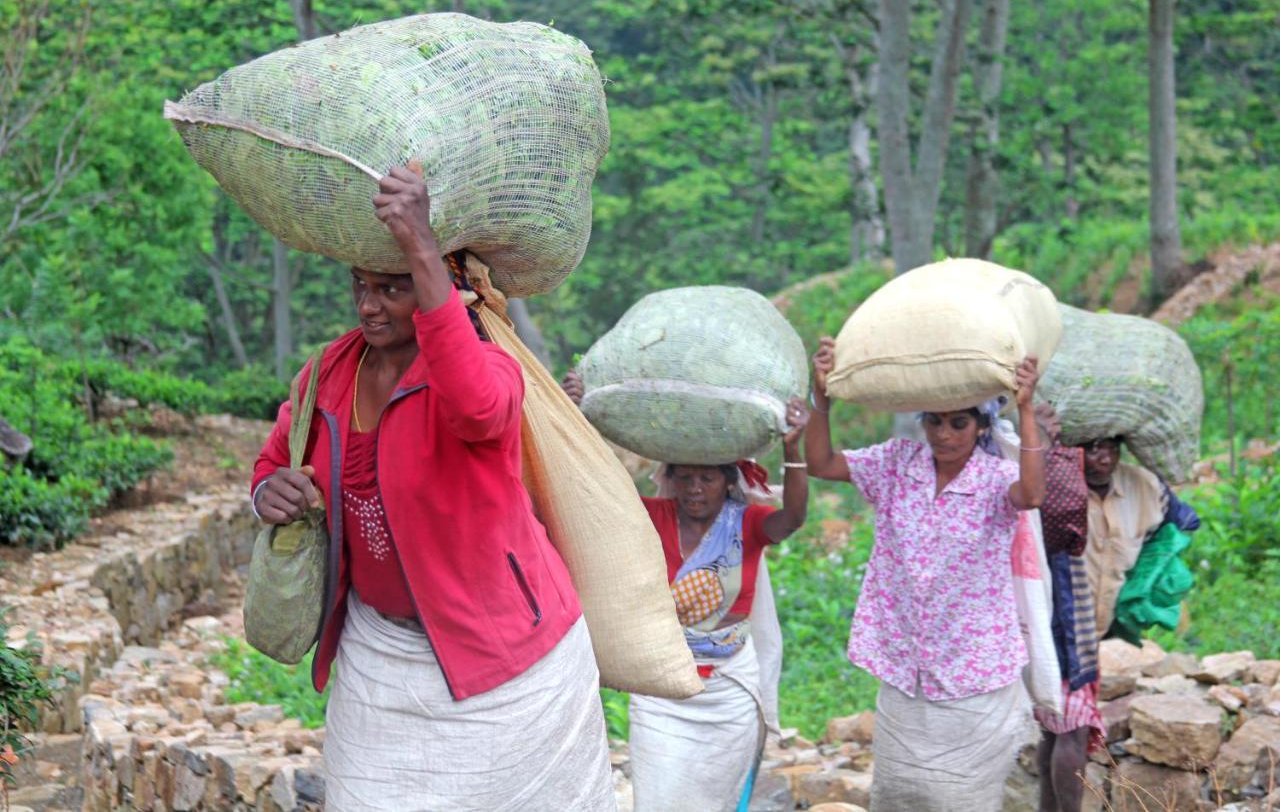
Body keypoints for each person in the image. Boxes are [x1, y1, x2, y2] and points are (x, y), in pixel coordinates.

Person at [250, 166, 614, 810]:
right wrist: (266, 495)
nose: (368, 305)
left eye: (392, 288)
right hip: (378, 659)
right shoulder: (326, 376)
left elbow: (479, 410)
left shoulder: (487, 368)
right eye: (360, 284)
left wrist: (421, 244)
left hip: (505, 662)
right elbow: (274, 462)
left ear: (439, 288)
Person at [805, 336, 1046, 812]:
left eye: (959, 422)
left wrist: (1028, 409)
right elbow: (822, 463)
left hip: (971, 669)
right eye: (934, 421)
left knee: (962, 799)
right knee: (900, 795)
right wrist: (822, 399)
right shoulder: (896, 465)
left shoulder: (996, 480)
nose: (944, 434)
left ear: (981, 427)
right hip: (904, 667)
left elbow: (1033, 493)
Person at [561, 370, 810, 812]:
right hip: (663, 692)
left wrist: (794, 451)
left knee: (717, 801)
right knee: (658, 799)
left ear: (728, 482)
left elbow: (792, 518)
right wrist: (577, 418)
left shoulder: (748, 525)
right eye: (686, 478)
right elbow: (596, 492)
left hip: (729, 693)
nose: (696, 489)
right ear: (671, 480)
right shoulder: (652, 518)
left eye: (707, 479)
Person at [1035, 421, 1199, 812]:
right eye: (1090, 449)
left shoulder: (1142, 487)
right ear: (1073, 451)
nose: (1101, 458)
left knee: (1055, 733)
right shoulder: (1057, 486)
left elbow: (1182, 522)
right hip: (1055, 629)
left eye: (1109, 447)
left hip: (1094, 630)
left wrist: (1148, 581)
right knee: (1072, 730)